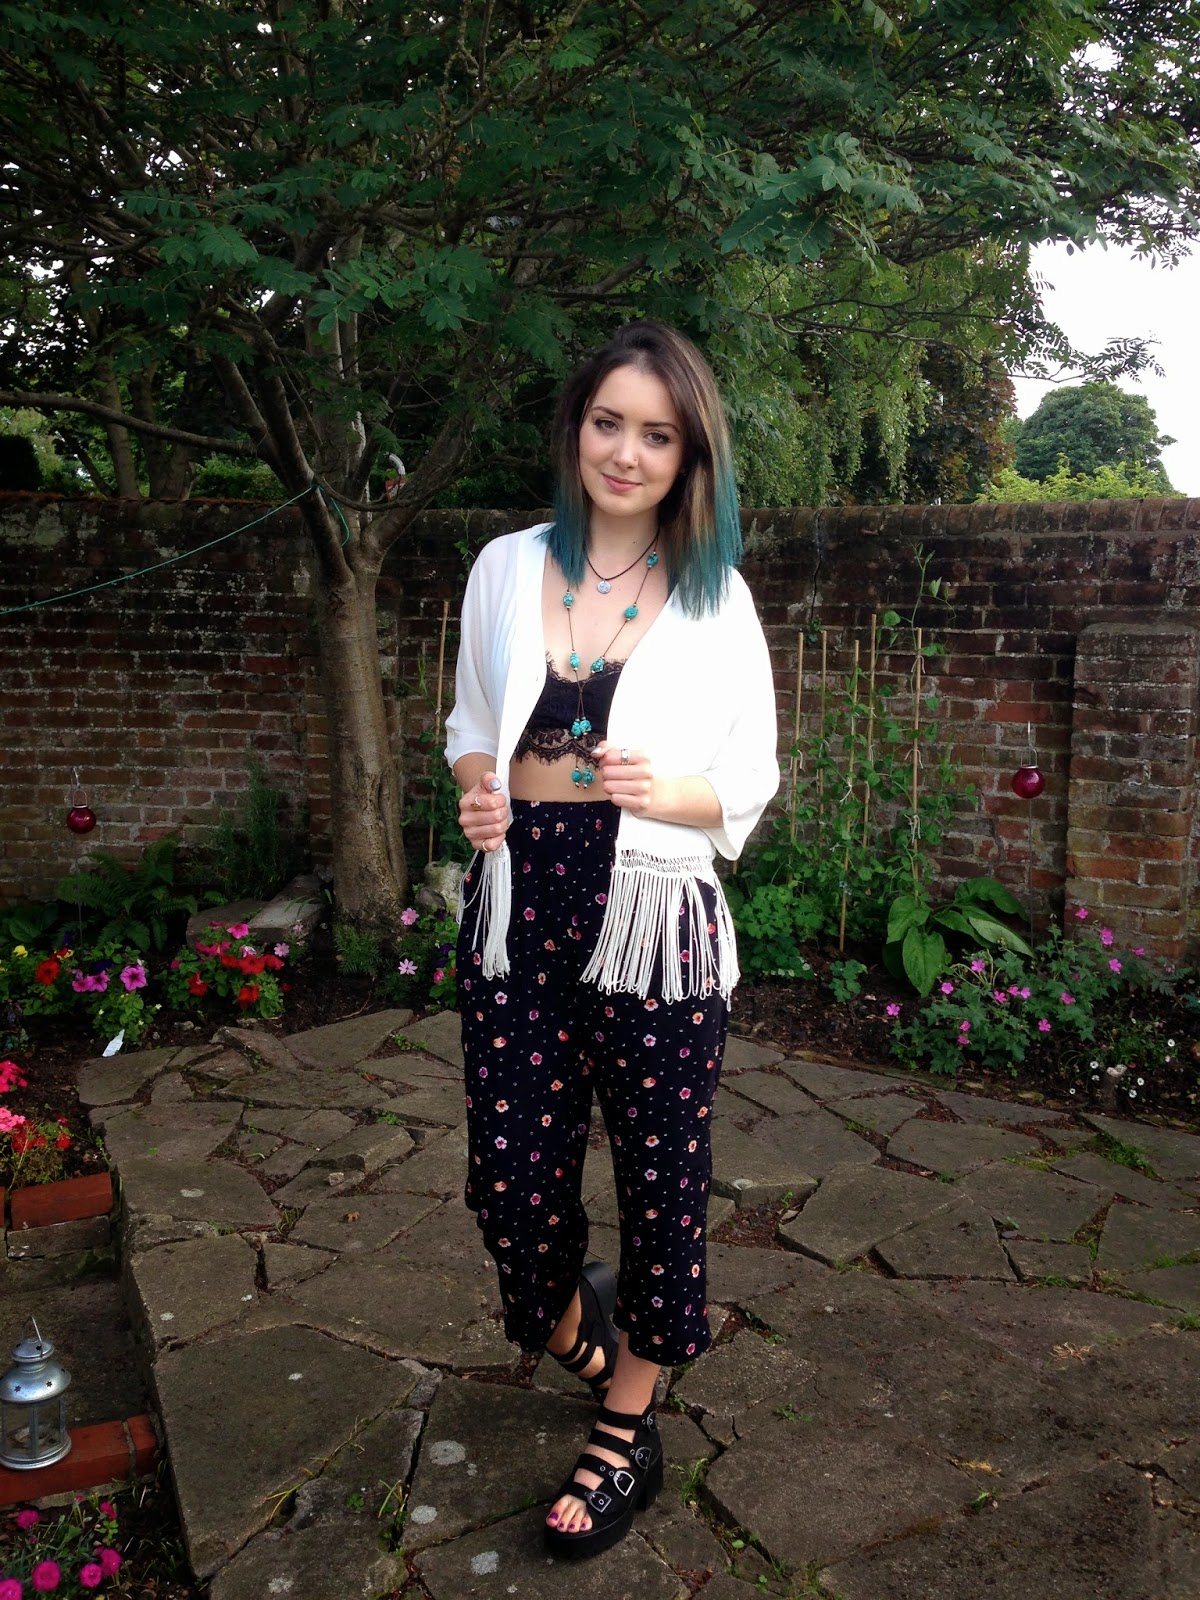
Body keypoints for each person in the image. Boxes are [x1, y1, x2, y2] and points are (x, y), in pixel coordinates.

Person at [445, 321, 779, 1558]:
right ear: (576, 427)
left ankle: (627, 1421)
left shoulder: (715, 596)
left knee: (660, 1184)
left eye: (657, 434)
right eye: (608, 423)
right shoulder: (503, 567)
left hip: (653, 918)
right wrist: (479, 790)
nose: (626, 453)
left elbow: (748, 779)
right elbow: (469, 724)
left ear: (690, 455)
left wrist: (663, 790)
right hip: (520, 904)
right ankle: (587, 1345)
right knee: (511, 1187)